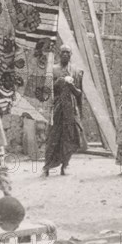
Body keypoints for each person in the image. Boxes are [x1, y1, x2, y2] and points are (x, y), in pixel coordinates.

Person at [43, 45, 84, 176]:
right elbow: (46, 91)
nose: (65, 54)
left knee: (70, 137)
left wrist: (71, 86)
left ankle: (64, 166)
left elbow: (79, 93)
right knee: (52, 137)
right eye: (63, 52)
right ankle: (47, 167)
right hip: (57, 108)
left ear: (71, 54)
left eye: (68, 52)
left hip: (70, 109)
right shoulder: (53, 70)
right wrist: (58, 83)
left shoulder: (76, 71)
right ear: (59, 54)